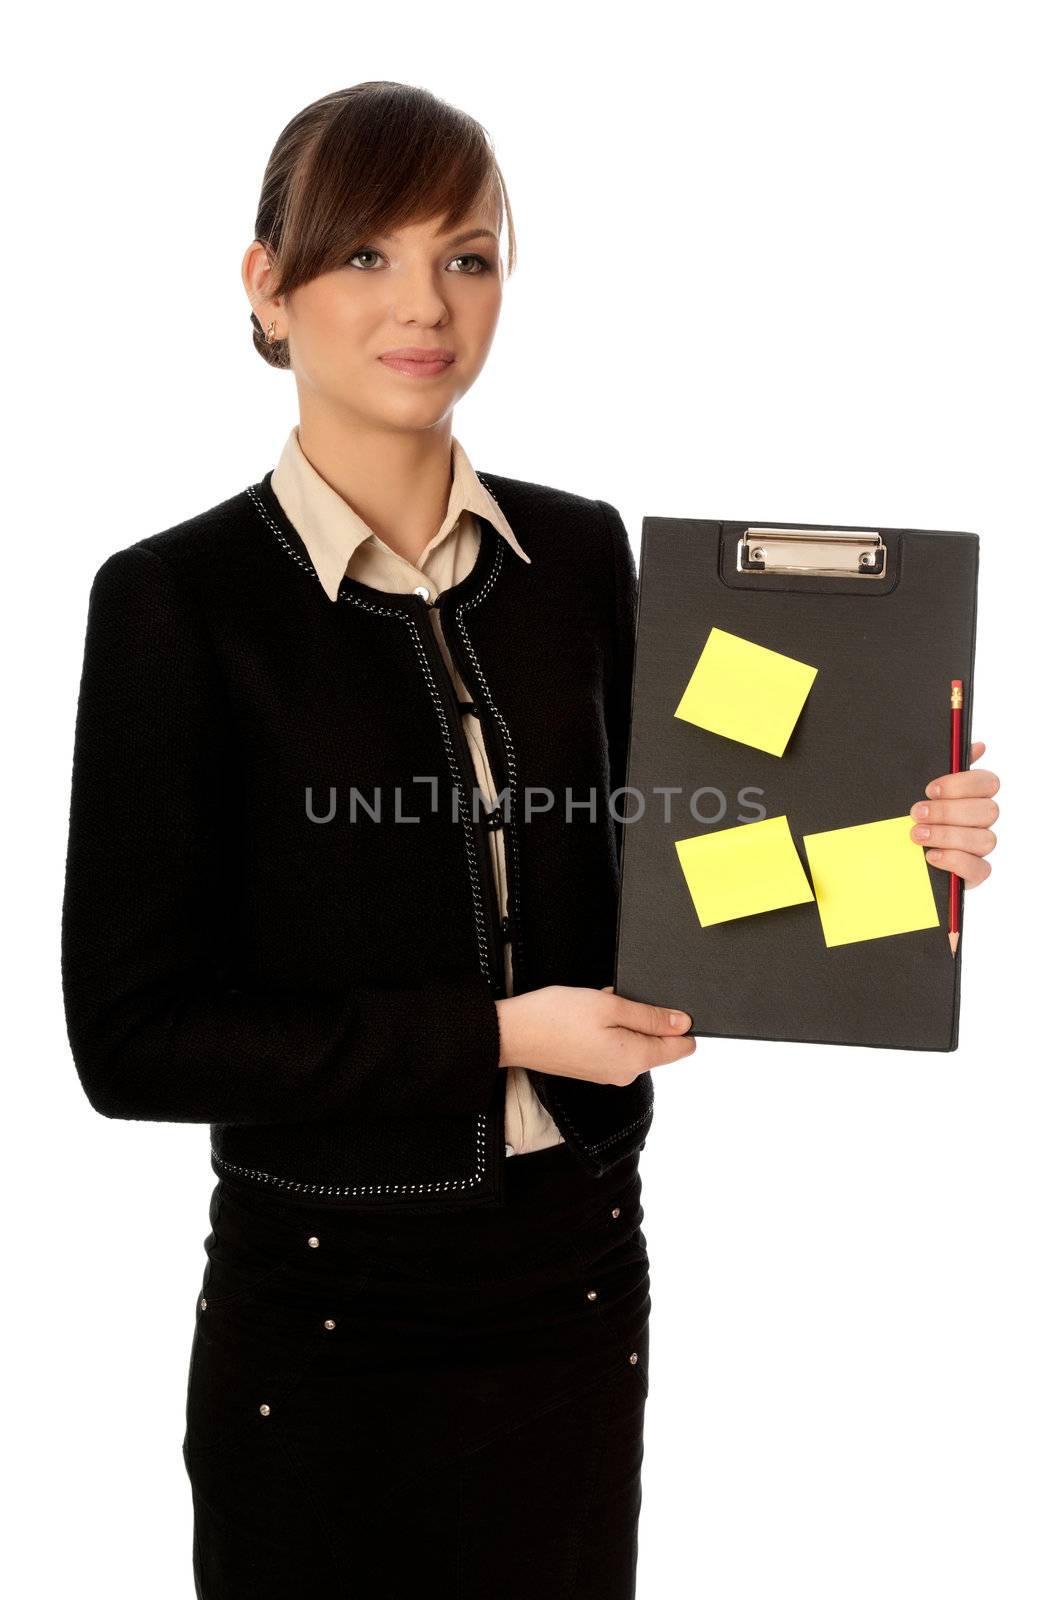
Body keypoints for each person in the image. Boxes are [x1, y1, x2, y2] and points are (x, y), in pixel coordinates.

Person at [61, 81, 1001, 1598]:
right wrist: (498, 1032)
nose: (424, 303)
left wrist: (907, 844)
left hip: (575, 1275)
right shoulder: (177, 605)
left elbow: (694, 847)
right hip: (323, 1310)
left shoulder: (578, 555)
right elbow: (134, 1041)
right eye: (366, 256)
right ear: (268, 286)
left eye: (470, 256)